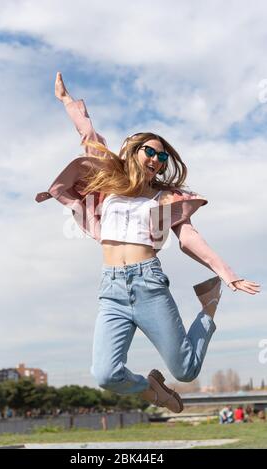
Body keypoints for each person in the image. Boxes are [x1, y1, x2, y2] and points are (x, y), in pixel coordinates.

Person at [35, 72, 261, 414]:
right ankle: (153, 391)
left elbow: (188, 237)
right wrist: (67, 101)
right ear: (133, 150)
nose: (156, 159)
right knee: (106, 373)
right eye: (150, 152)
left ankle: (209, 304)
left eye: (163, 157)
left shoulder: (164, 198)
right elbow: (89, 136)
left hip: (148, 285)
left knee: (186, 369)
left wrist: (225, 273)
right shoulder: (109, 181)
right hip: (110, 288)